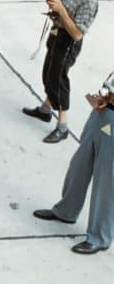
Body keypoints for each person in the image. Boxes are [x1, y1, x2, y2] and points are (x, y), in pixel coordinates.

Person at [33, 75, 114, 255]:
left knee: (106, 180)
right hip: (103, 108)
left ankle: (100, 237)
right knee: (79, 164)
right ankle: (66, 211)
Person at [22, 0, 99, 144]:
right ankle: (45, 110)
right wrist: (57, 4)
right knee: (49, 73)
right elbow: (67, 12)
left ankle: (63, 127)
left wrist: (62, 11)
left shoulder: (89, 1)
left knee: (58, 79)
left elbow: (78, 34)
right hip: (58, 34)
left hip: (68, 42)